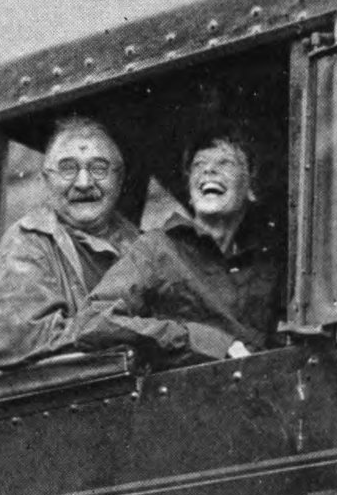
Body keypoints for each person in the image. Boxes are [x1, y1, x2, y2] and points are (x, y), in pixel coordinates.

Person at [81, 128, 281, 363]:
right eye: (198, 165)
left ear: (251, 188)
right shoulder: (156, 248)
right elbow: (93, 321)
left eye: (226, 163)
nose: (208, 170)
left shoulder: (267, 265)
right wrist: (204, 340)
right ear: (189, 192)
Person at [0, 116, 140, 368]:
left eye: (99, 168)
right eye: (67, 169)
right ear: (46, 180)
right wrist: (125, 330)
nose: (84, 183)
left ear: (119, 179)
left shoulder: (141, 244)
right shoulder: (28, 243)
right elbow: (15, 339)